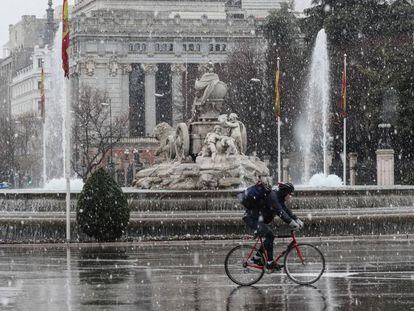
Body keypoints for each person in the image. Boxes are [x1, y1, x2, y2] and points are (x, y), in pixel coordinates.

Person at [240, 180, 304, 271]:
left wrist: (296, 219)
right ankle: (268, 261)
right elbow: (280, 212)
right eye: (289, 194)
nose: (290, 196)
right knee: (270, 235)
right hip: (252, 219)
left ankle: (259, 258)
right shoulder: (272, 196)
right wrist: (292, 223)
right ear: (284, 192)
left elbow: (285, 210)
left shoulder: (278, 198)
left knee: (270, 236)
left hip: (259, 219)